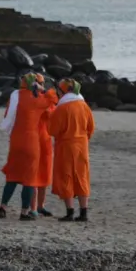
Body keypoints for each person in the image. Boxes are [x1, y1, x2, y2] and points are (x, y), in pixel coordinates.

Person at [0, 72, 58, 220]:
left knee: (12, 177)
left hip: (16, 139)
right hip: (31, 141)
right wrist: (42, 90)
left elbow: (9, 116)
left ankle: (3, 207)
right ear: (35, 84)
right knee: (29, 179)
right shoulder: (37, 101)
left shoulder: (16, 97)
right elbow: (53, 98)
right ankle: (25, 212)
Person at [48, 78, 95, 222]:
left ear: (64, 91)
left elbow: (52, 130)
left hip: (66, 145)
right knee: (81, 176)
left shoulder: (62, 108)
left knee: (66, 176)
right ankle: (84, 212)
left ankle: (70, 211)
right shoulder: (84, 105)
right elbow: (91, 128)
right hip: (82, 145)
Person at [30, 73, 57, 217]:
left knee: (43, 174)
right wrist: (44, 92)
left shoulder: (38, 99)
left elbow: (53, 108)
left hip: (43, 139)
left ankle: (39, 206)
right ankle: (34, 206)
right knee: (35, 175)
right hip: (38, 139)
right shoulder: (36, 100)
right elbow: (54, 101)